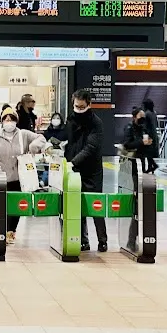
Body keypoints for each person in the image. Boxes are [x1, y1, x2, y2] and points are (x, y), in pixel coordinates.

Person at [0, 107, 46, 245]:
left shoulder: (23, 134)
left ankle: (11, 232)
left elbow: (41, 138)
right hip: (0, 178)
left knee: (16, 206)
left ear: (16, 121)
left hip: (18, 178)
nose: (9, 122)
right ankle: (1, 231)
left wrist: (33, 147)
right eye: (6, 119)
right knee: (1, 206)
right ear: (1, 121)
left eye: (11, 119)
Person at [65, 89, 107, 252]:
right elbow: (68, 140)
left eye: (82, 107)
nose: (79, 110)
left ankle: (102, 240)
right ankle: (83, 240)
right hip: (74, 170)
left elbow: (91, 147)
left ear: (89, 105)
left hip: (92, 170)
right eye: (76, 106)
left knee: (96, 205)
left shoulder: (96, 122)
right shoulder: (70, 119)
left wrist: (73, 162)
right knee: (77, 204)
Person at [142, 98, 159, 173]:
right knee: (150, 152)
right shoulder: (154, 113)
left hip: (148, 135)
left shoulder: (147, 113)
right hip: (154, 134)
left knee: (147, 152)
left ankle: (152, 165)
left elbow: (145, 126)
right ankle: (151, 166)